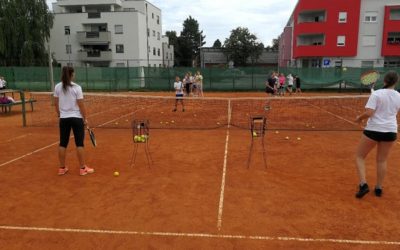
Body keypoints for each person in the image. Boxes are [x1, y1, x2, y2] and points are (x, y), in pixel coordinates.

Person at [354, 71, 400, 198]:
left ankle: (363, 185)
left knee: (359, 156)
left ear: (384, 81)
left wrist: (359, 118)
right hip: (390, 131)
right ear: (395, 82)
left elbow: (369, 113)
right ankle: (379, 188)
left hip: (374, 130)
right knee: (382, 160)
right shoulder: (398, 96)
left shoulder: (377, 94)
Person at [54, 66, 94, 176]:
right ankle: (82, 169)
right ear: (71, 74)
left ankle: (62, 168)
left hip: (64, 119)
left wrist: (60, 115)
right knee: (79, 143)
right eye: (74, 73)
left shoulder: (57, 87)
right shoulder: (77, 88)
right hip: (76, 118)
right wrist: (84, 119)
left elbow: (56, 103)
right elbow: (81, 105)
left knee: (63, 143)